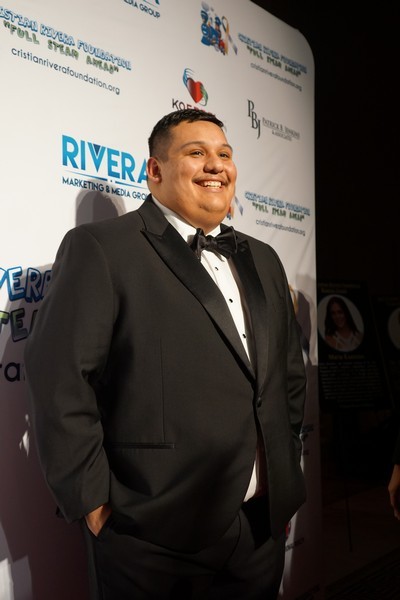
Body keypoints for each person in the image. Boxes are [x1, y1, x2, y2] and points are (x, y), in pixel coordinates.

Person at [24, 108, 307, 599]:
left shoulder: (263, 256)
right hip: (151, 534)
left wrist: (283, 473)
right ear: (155, 170)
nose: (216, 165)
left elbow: (287, 378)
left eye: (224, 154)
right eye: (196, 152)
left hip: (259, 528)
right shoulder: (103, 248)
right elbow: (60, 381)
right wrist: (94, 504)